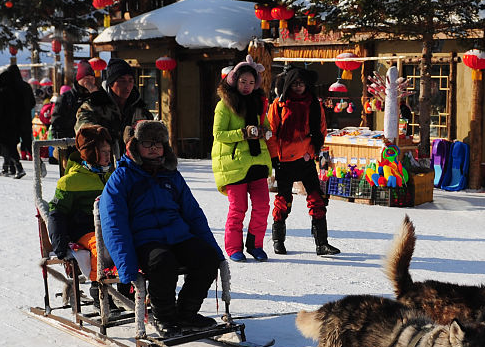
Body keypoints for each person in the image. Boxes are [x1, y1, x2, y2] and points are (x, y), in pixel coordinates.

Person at [99, 119, 224, 332]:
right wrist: (125, 265)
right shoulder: (121, 178)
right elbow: (114, 223)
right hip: (144, 241)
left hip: (177, 236)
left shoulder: (171, 175)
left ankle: (186, 313)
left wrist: (215, 249)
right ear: (134, 146)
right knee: (163, 262)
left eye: (158, 143)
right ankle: (164, 317)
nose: (154, 148)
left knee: (207, 258)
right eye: (147, 143)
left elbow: (193, 215)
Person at [266, 65, 340, 256]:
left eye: (302, 83)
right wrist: (274, 158)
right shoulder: (278, 106)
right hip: (284, 161)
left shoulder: (314, 104)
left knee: (317, 199)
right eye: (295, 83)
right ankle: (278, 241)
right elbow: (271, 133)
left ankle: (321, 243)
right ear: (289, 85)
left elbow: (321, 130)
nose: (299, 87)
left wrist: (312, 151)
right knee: (283, 201)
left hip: (306, 160)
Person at [212, 57, 273, 262]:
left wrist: (265, 131)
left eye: (250, 82)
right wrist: (243, 133)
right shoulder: (224, 105)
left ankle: (255, 245)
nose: (247, 86)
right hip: (234, 164)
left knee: (263, 205)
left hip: (257, 161)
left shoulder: (259, 102)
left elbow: (265, 125)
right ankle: (233, 247)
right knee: (238, 208)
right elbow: (218, 134)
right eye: (243, 81)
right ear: (234, 80)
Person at [47, 125, 114, 307]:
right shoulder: (70, 181)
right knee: (101, 248)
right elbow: (56, 213)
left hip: (111, 226)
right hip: (84, 230)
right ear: (91, 153)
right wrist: (59, 242)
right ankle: (98, 289)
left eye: (109, 151)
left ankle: (124, 289)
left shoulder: (112, 176)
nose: (108, 156)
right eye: (103, 152)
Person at [75, 57, 152, 147]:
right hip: (104, 158)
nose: (127, 86)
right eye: (122, 81)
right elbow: (83, 130)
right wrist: (102, 134)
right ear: (110, 84)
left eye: (130, 80)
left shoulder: (140, 109)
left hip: (133, 160)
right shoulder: (94, 105)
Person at [52, 61, 105, 175]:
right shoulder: (66, 98)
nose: (90, 81)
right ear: (79, 79)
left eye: (92, 78)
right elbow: (57, 122)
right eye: (86, 78)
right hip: (71, 145)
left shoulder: (98, 95)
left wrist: (96, 94)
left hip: (94, 146)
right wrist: (60, 146)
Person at [0, 64, 32, 178]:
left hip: (5, 123)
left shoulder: (4, 91)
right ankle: (9, 168)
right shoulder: (20, 88)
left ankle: (17, 168)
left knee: (8, 146)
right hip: (20, 121)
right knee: (14, 145)